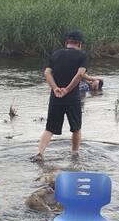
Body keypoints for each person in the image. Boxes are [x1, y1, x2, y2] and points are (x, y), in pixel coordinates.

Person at [33, 30, 88, 161]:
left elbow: (47, 73)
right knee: (76, 128)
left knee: (50, 128)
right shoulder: (82, 55)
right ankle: (74, 155)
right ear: (80, 44)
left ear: (66, 42)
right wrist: (67, 90)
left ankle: (40, 153)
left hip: (55, 97)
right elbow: (80, 74)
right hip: (72, 97)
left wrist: (56, 88)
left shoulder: (55, 54)